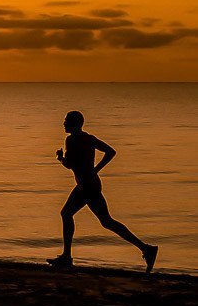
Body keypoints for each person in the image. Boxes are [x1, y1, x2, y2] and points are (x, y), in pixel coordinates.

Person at [48, 110, 158, 272]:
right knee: (106, 221)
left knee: (69, 214)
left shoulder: (71, 140)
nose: (63, 123)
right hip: (90, 184)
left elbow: (70, 165)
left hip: (86, 187)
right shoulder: (89, 139)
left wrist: (61, 158)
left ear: (75, 123)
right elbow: (111, 151)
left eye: (66, 121)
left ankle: (66, 257)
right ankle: (146, 249)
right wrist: (95, 170)